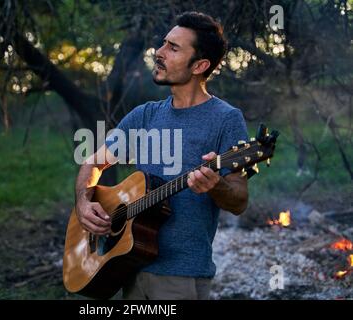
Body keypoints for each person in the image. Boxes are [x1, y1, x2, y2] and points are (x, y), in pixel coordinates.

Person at [73, 11, 249, 300]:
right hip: (128, 267)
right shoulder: (145, 115)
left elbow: (240, 200)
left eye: (173, 48)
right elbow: (93, 161)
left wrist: (216, 185)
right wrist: (83, 200)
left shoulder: (226, 119)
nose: (159, 52)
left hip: (180, 276)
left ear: (200, 65)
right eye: (164, 43)